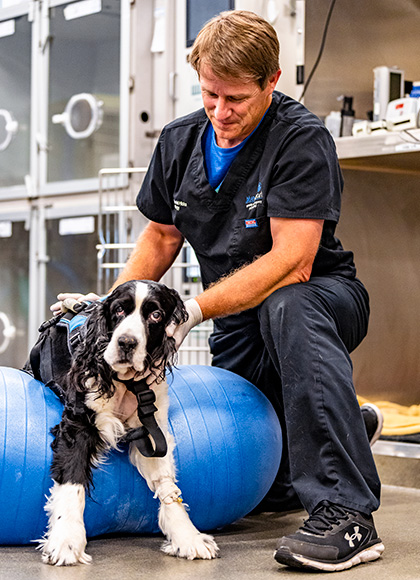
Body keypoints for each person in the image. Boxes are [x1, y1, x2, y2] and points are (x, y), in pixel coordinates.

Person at [55, 10, 384, 572]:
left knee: (288, 305)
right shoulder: (182, 141)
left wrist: (193, 308)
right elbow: (161, 235)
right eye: (210, 95)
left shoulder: (300, 140)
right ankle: (346, 425)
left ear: (272, 81)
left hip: (321, 299)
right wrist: (114, 315)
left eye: (236, 99)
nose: (221, 113)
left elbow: (292, 262)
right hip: (239, 322)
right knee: (266, 485)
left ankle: (347, 511)